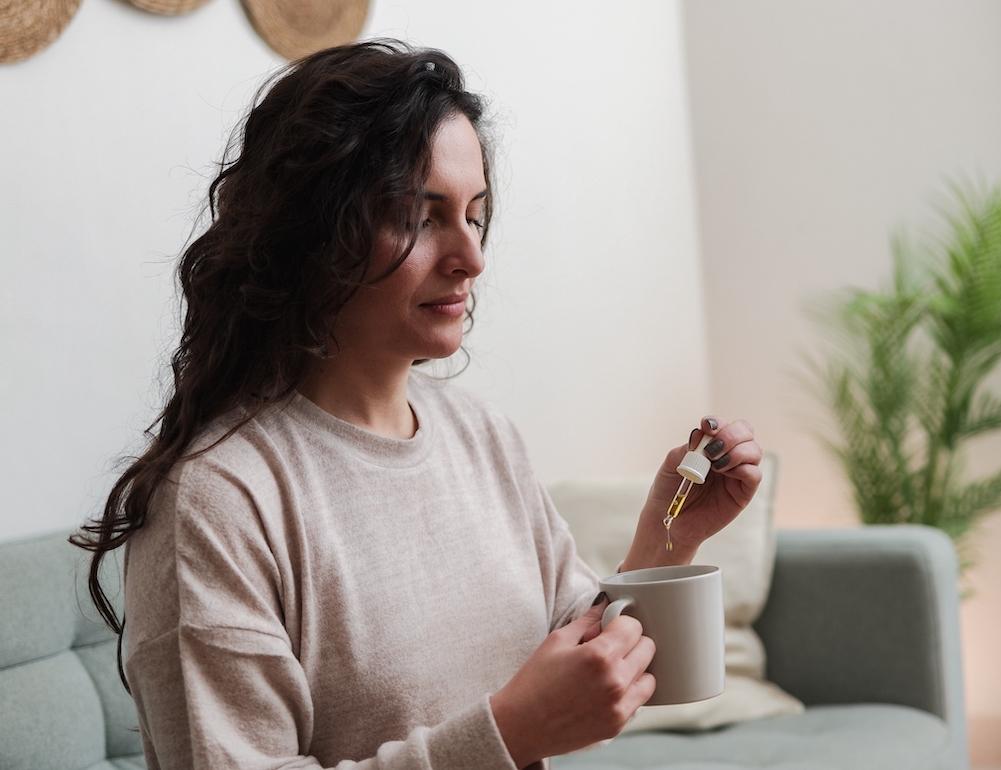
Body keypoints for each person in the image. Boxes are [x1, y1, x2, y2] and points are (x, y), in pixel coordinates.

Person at [70, 38, 763, 770]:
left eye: (474, 214)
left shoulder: (479, 434)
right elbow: (525, 720)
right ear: (314, 232)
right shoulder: (217, 501)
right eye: (421, 215)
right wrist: (507, 736)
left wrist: (669, 534)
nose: (472, 256)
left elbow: (582, 664)